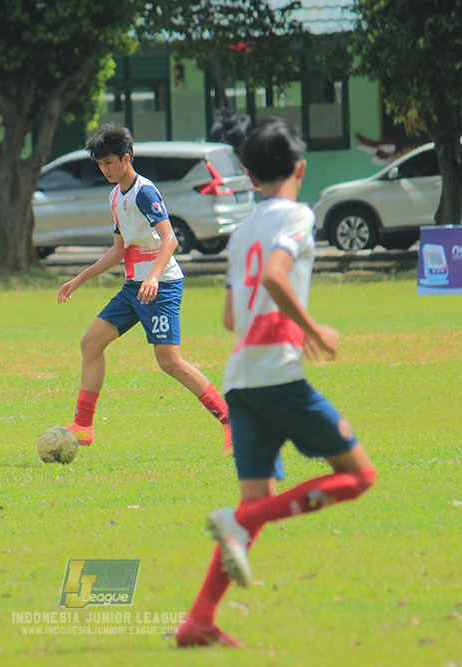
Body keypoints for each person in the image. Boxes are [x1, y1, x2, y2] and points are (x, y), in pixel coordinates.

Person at [175, 119, 377, 648]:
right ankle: (239, 520)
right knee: (358, 477)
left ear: (247, 174)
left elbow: (227, 316)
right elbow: (274, 277)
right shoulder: (298, 215)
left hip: (240, 380)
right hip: (276, 377)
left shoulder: (242, 231)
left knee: (255, 501)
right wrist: (315, 330)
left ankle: (198, 620)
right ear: (300, 169)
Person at [57, 124, 242, 457]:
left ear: (127, 158)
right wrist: (80, 279)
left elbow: (170, 239)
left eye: (109, 163)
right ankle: (83, 426)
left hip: (162, 285)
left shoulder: (144, 191)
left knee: (169, 361)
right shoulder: (116, 196)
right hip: (134, 287)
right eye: (100, 164)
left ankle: (230, 420)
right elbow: (118, 250)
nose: (104, 169)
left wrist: (154, 277)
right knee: (91, 342)